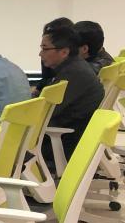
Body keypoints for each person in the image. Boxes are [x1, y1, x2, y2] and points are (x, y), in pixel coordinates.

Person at [40, 22, 104, 160]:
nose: (40, 54)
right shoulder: (76, 67)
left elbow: (42, 114)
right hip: (71, 139)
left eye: (45, 49)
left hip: (64, 144)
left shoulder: (72, 75)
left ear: (64, 52)